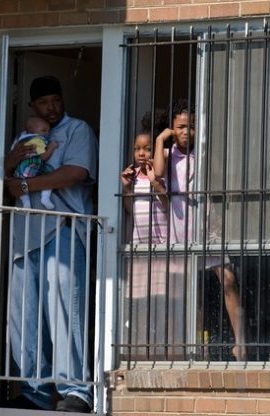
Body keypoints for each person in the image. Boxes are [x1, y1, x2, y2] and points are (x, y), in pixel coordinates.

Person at [4, 76, 97, 413]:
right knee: (24, 316)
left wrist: (27, 187)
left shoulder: (77, 130)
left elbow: (74, 173)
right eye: (44, 102)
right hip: (24, 235)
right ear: (32, 106)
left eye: (56, 100)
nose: (52, 108)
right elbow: (4, 178)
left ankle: (76, 391)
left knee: (64, 311)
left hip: (63, 227)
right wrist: (12, 158)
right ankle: (35, 392)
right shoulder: (25, 136)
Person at [153, 99, 246, 361]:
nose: (186, 132)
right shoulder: (169, 155)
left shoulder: (203, 154)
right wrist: (161, 140)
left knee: (228, 279)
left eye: (191, 126)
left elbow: (217, 180)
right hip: (180, 227)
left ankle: (241, 342)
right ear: (172, 128)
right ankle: (197, 344)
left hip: (207, 227)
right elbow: (158, 173)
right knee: (191, 292)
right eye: (181, 127)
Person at [121, 113, 171, 358]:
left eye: (147, 148)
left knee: (162, 296)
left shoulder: (159, 174)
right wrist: (126, 188)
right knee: (140, 297)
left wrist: (155, 182)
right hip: (139, 244)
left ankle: (161, 342)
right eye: (137, 149)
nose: (141, 153)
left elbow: (167, 203)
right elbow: (131, 210)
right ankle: (141, 343)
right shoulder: (134, 176)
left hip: (160, 243)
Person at [11, 116, 57, 210]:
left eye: (48, 131)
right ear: (32, 131)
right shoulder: (37, 140)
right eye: (44, 130)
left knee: (20, 183)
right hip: (33, 166)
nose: (47, 133)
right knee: (50, 175)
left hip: (21, 168)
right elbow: (43, 157)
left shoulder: (20, 139)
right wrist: (51, 147)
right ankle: (45, 197)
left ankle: (26, 203)